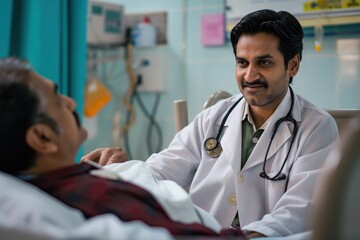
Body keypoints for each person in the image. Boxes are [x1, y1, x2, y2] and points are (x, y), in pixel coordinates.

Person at [83, 9, 339, 238]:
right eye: (242, 63)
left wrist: (251, 235)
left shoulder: (316, 127)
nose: (250, 75)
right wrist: (121, 172)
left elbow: (302, 207)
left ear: (292, 65)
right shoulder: (214, 118)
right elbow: (161, 170)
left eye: (264, 62)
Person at [0, 57, 244, 239]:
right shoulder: (93, 195)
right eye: (57, 99)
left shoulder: (75, 178)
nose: (71, 102)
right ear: (43, 138)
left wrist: (114, 171)